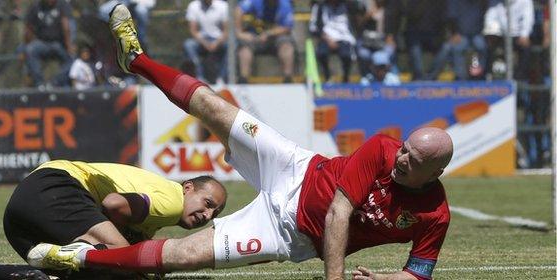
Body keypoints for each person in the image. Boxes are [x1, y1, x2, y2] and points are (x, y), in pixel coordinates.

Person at [28, 5, 454, 280]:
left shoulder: (435, 214)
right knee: (214, 106)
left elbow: (418, 274)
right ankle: (136, 60)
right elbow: (340, 211)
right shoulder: (381, 148)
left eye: (412, 159)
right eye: (404, 148)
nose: (400, 157)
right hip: (295, 167)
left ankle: (76, 258)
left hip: (289, 234)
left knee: (182, 257)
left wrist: (383, 279)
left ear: (434, 173)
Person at [0, 160, 227, 280]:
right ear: (188, 186)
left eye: (214, 214)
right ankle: (79, 252)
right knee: (128, 266)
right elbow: (113, 205)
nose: (207, 216)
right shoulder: (173, 199)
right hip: (56, 189)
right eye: (208, 204)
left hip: (23, 211)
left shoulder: (160, 208)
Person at [235, 0, 295, 83]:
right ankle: (243, 80)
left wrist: (269, 33)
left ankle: (288, 79)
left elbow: (287, 27)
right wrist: (239, 33)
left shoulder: (285, 4)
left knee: (287, 45)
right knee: (245, 47)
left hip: (275, 38)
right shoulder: (255, 1)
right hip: (255, 36)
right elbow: (239, 10)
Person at [385, 0, 447, 81]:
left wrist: (444, 36)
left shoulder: (438, 2)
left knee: (446, 47)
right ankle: (419, 77)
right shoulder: (409, 2)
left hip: (433, 36)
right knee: (415, 49)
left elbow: (443, 19)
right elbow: (400, 16)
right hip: (414, 36)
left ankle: (431, 77)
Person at [429, 0, 488, 81]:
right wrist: (454, 33)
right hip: (460, 34)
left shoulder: (481, 2)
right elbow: (451, 19)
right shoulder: (454, 2)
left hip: (477, 33)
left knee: (482, 47)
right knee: (458, 48)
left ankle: (479, 76)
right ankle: (461, 77)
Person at [23, 0, 75, 89]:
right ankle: (39, 84)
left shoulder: (62, 5)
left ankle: (54, 83)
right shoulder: (35, 6)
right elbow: (28, 28)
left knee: (73, 60)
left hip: (59, 43)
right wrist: (24, 47)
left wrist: (69, 46)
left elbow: (66, 27)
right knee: (29, 50)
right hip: (41, 42)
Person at [309, 0, 358, 83]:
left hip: (345, 38)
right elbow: (313, 28)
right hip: (326, 38)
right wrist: (327, 39)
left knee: (347, 55)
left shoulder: (348, 6)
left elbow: (358, 13)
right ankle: (328, 77)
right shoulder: (319, 7)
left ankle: (346, 78)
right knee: (321, 53)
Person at [184, 0, 228, 84]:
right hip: (201, 40)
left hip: (218, 40)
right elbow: (193, 31)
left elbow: (226, 31)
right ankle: (199, 77)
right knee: (189, 45)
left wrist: (216, 43)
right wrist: (205, 43)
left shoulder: (223, 6)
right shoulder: (193, 6)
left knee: (231, 46)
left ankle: (221, 78)